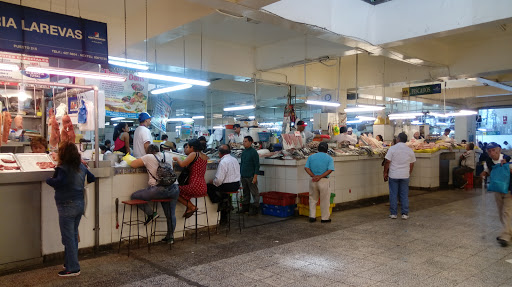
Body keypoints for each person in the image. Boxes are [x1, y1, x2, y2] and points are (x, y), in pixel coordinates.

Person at [46, 142, 95, 277]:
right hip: (79, 204)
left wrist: (48, 180)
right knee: (72, 235)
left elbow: (58, 182)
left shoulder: (62, 168)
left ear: (63, 154)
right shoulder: (81, 166)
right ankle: (69, 263)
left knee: (68, 237)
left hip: (66, 206)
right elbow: (92, 178)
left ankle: (73, 268)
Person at [129, 144, 180, 244]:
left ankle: (151, 214)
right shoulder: (167, 156)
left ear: (148, 151)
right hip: (174, 188)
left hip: (158, 190)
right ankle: (170, 237)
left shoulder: (148, 157)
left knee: (134, 196)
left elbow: (133, 164)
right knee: (171, 214)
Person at [480, 142, 512, 247]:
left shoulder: (508, 159)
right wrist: (484, 173)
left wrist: (508, 167)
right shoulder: (488, 162)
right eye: (489, 151)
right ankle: (508, 231)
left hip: (509, 190)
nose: (491, 153)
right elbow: (488, 171)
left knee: (507, 212)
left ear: (499, 150)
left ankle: (506, 235)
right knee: (500, 212)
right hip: (497, 189)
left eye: (493, 150)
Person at [383, 132, 416, 220]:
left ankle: (393, 213)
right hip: (405, 175)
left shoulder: (392, 149)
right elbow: (412, 163)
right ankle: (405, 214)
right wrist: (409, 173)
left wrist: (385, 172)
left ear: (398, 139)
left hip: (394, 175)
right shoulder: (409, 150)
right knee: (404, 195)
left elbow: (387, 162)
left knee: (393, 194)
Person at [173, 139, 208, 218]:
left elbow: (182, 164)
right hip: (203, 186)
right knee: (178, 190)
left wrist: (176, 159)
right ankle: (190, 207)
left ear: (192, 147)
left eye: (188, 147)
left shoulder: (194, 154)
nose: (187, 149)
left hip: (194, 186)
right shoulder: (205, 156)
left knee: (173, 191)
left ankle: (191, 206)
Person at [206, 145, 240, 224]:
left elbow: (219, 180)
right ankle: (225, 203)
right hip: (236, 185)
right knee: (224, 193)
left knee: (208, 186)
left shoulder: (223, 162)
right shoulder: (234, 159)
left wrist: (213, 182)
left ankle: (219, 201)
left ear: (220, 153)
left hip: (227, 186)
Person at [304, 142, 335, 223]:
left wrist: (313, 176)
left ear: (318, 149)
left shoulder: (311, 157)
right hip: (324, 181)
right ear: (327, 150)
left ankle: (312, 217)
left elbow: (306, 168)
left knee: (312, 199)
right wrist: (320, 176)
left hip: (313, 180)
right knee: (325, 200)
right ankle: (325, 218)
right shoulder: (329, 158)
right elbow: (330, 170)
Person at [240, 136, 260, 215]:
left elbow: (257, 165)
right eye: (243, 141)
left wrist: (255, 177)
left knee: (254, 193)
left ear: (250, 142)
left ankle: (255, 208)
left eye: (245, 141)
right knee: (245, 192)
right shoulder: (244, 152)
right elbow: (242, 164)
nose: (244, 143)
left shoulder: (253, 152)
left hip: (251, 176)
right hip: (243, 176)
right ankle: (245, 208)